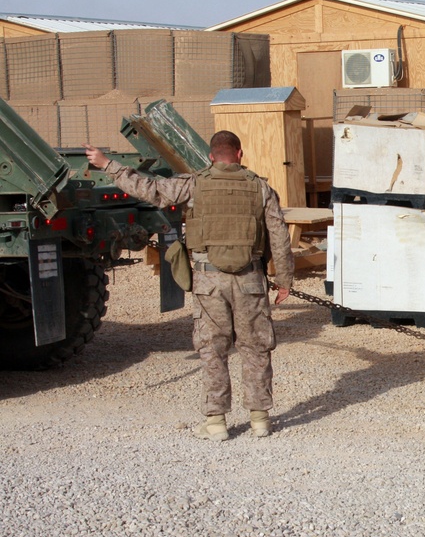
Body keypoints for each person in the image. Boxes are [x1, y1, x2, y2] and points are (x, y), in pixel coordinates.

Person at [84, 131, 295, 442]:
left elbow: (149, 189)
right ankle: (260, 419)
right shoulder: (260, 187)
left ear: (211, 156)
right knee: (256, 348)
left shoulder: (193, 184)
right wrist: (285, 280)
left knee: (213, 349)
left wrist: (107, 164)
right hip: (250, 279)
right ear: (239, 154)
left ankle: (216, 422)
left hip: (208, 280)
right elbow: (278, 234)